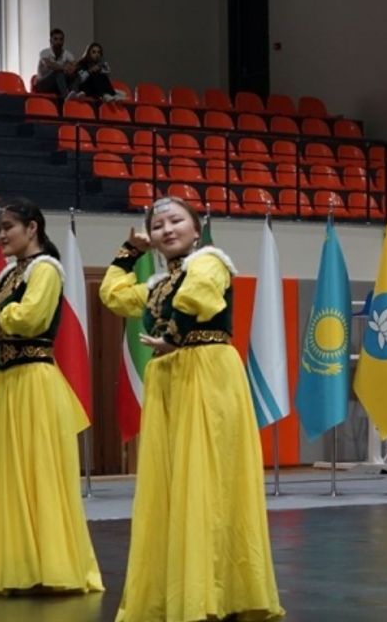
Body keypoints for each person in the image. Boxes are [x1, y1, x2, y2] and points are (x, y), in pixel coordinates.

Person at [98, 197, 283, 622]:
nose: (166, 229)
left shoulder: (211, 260)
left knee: (210, 478)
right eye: (157, 224)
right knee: (176, 480)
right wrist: (130, 253)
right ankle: (182, 588)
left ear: (196, 228)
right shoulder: (159, 283)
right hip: (172, 377)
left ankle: (220, 591)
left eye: (175, 220)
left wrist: (176, 337)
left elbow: (198, 295)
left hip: (207, 371)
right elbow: (115, 296)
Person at [0, 199, 103, 595]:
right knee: (10, 474)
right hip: (8, 383)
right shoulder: (9, 275)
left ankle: (52, 565)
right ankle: (22, 566)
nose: (2, 235)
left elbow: (30, 317)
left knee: (39, 473)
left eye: (8, 226)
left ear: (32, 228)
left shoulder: (46, 270)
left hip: (35, 383)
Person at [34, 28, 77, 98]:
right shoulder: (45, 52)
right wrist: (64, 68)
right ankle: (66, 97)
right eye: (55, 39)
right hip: (42, 84)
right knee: (58, 72)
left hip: (56, 84)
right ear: (51, 41)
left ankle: (74, 94)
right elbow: (48, 64)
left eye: (61, 39)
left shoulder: (67, 53)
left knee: (76, 75)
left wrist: (71, 69)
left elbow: (74, 65)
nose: (58, 42)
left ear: (63, 41)